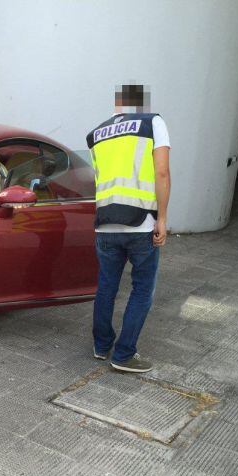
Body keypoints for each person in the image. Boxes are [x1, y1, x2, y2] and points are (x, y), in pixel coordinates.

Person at [86, 84, 171, 373]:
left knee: (106, 285)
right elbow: (161, 171)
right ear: (142, 106)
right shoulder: (153, 123)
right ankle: (123, 355)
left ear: (118, 107)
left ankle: (101, 346)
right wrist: (162, 218)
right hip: (141, 223)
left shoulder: (97, 134)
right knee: (142, 289)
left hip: (105, 224)